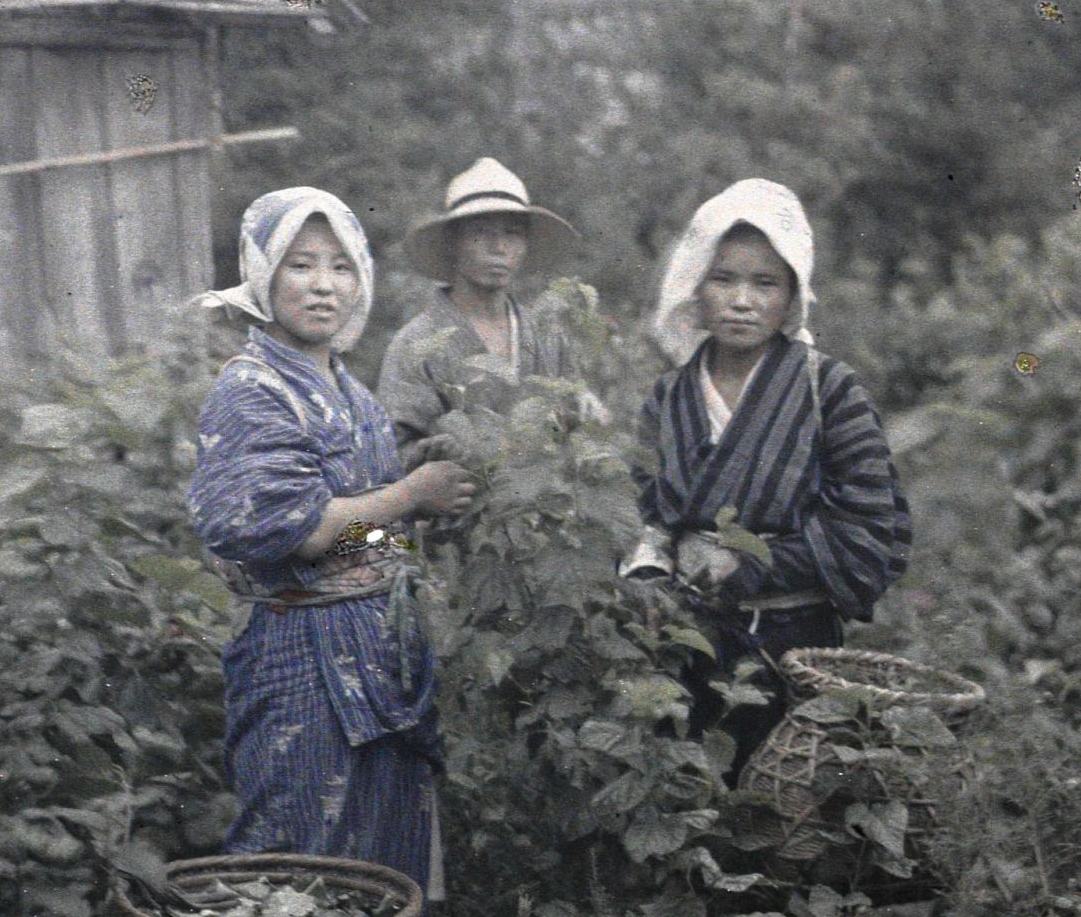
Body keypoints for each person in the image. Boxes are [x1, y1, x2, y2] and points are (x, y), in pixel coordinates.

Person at [187, 188, 478, 900]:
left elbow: (357, 528)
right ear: (262, 273)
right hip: (299, 654)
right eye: (301, 264)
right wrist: (410, 495)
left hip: (378, 650)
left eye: (341, 266)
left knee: (383, 865)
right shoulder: (253, 389)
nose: (324, 285)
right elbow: (306, 531)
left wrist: (410, 505)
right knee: (296, 860)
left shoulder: (352, 391)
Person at [630, 178, 912, 773]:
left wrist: (751, 564)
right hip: (688, 644)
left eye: (765, 283)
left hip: (795, 648)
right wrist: (650, 576)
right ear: (695, 285)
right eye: (723, 279)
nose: (742, 301)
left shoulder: (829, 390)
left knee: (785, 799)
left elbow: (869, 528)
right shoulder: (670, 397)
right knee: (689, 791)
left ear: (791, 296)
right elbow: (642, 512)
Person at [377, 158, 584, 471]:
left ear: (525, 244)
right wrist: (433, 454)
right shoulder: (415, 343)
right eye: (480, 232)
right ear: (453, 243)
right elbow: (393, 449)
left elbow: (573, 430)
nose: (498, 247)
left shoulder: (548, 337)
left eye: (512, 233)